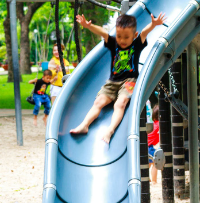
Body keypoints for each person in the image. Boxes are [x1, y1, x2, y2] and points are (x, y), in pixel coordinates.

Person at [70, 12, 167, 143]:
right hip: (112, 82)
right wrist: (89, 26)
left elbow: (144, 32)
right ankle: (85, 125)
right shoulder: (114, 44)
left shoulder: (136, 45)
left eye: (126, 37)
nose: (121, 40)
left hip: (129, 82)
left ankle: (110, 130)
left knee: (120, 104)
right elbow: (103, 33)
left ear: (134, 35)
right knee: (98, 102)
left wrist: (153, 24)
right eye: (119, 36)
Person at [148, 104, 159, 184]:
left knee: (147, 164)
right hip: (149, 147)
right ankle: (154, 181)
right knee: (155, 163)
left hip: (146, 146)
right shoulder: (159, 124)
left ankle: (146, 178)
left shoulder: (154, 123)